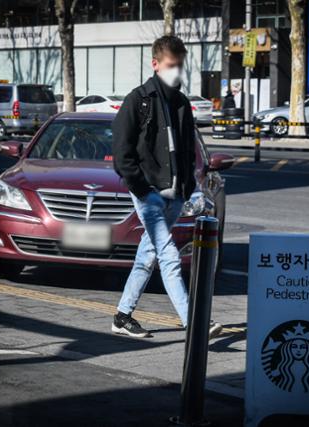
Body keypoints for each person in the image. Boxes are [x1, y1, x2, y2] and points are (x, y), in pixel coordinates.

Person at [111, 35, 222, 339]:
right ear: (155, 64)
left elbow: (187, 152)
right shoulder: (138, 100)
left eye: (180, 66)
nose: (177, 71)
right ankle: (194, 323)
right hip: (148, 194)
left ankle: (122, 317)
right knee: (169, 256)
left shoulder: (182, 102)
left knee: (148, 255)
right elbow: (122, 155)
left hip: (175, 196)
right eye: (171, 66)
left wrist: (188, 189)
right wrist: (141, 189)